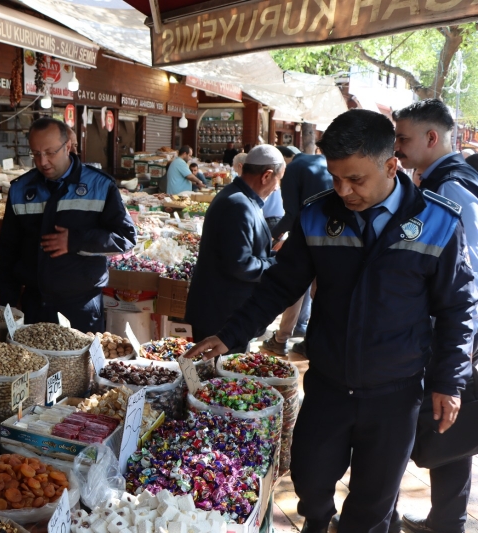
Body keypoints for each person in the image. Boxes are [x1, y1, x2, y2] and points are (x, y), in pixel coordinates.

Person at [184, 109, 476, 533]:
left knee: (372, 505)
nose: (344, 191)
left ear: (391, 165)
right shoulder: (319, 213)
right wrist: (231, 334)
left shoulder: (439, 221)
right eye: (336, 178)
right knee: (310, 480)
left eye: (356, 179)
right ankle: (319, 523)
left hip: (395, 392)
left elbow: (457, 307)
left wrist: (449, 381)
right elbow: (279, 286)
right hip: (328, 383)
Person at [392, 98, 478, 533]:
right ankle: (447, 520)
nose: (397, 147)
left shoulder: (451, 189)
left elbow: (469, 276)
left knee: (436, 420)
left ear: (431, 138)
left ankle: (444, 520)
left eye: (403, 138)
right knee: (445, 425)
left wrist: (459, 346)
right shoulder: (444, 181)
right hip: (446, 331)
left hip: (443, 332)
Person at [0, 117, 136, 332]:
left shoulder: (100, 185)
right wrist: (8, 298)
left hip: (81, 305)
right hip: (34, 303)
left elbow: (125, 238)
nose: (43, 161)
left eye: (50, 152)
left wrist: (76, 241)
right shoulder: (20, 190)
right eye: (36, 153)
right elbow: (8, 249)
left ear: (68, 147)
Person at [184, 145, 286, 348]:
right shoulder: (238, 204)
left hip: (226, 314)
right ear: (266, 175)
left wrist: (272, 253)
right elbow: (241, 265)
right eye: (278, 179)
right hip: (222, 316)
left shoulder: (242, 199)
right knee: (218, 376)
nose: (277, 187)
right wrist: (277, 262)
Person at [262, 152, 333, 355]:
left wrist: (269, 238)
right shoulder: (321, 162)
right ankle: (310, 339)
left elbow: (291, 214)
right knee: (318, 290)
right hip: (334, 232)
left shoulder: (292, 169)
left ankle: (281, 339)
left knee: (295, 283)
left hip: (309, 232)